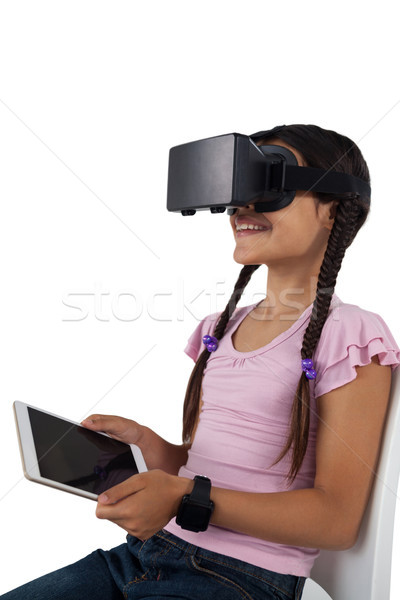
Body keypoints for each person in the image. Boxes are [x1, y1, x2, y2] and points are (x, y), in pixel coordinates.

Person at [2, 124, 400, 600]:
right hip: (144, 555)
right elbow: (213, 468)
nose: (242, 209)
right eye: (236, 193)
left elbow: (336, 521)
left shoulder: (351, 334)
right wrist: (152, 449)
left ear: (332, 209)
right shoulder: (220, 328)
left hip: (243, 578)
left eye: (266, 186)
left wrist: (187, 498)